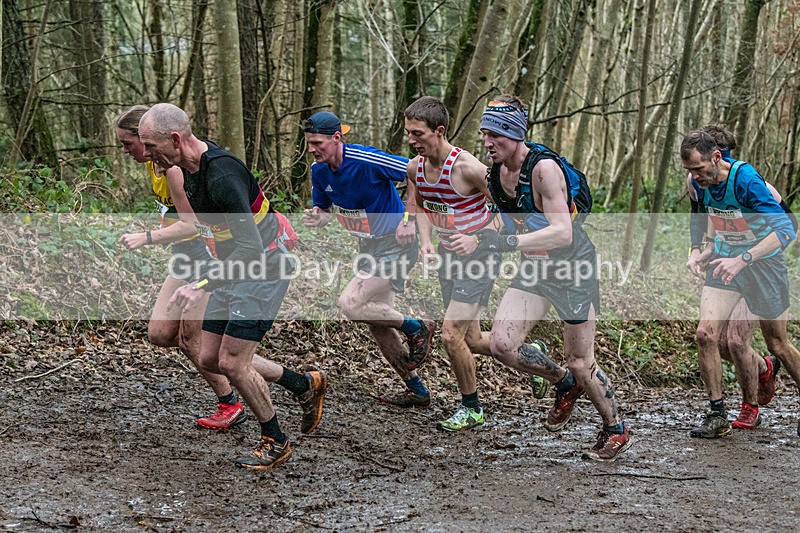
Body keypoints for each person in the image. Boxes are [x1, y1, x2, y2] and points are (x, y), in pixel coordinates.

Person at [138, 103, 326, 469]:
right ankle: (302, 385)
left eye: (150, 146)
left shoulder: (222, 176)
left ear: (175, 139)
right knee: (210, 358)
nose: (146, 154)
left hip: (264, 268)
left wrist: (202, 283)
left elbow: (251, 248)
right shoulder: (186, 169)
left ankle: (275, 439)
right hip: (232, 269)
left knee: (232, 362)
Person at [473, 96, 631, 461]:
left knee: (581, 361)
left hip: (573, 268)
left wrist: (508, 242)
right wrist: (479, 236)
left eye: (495, 135)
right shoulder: (496, 173)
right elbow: (511, 219)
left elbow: (562, 232)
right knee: (502, 344)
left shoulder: (543, 169)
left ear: (514, 133)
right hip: (535, 266)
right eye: (484, 134)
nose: (487, 142)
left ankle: (616, 428)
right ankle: (563, 382)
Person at [402, 96, 547, 431]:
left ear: (439, 131)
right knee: (471, 339)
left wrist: (478, 238)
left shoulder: (467, 168)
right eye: (408, 133)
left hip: (480, 255)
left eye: (418, 134)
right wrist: (426, 241)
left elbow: (508, 209)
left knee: (450, 335)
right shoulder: (414, 168)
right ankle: (532, 355)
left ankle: (472, 409)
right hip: (449, 255)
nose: (411, 140)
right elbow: (421, 205)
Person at [116, 105, 245, 431]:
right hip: (184, 256)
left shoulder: (173, 169)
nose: (128, 151)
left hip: (204, 256)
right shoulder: (155, 165)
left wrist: (146, 237)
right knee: (160, 333)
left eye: (128, 144)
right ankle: (270, 374)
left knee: (193, 342)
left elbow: (190, 225)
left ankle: (232, 401)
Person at [301, 111, 436, 407]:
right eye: (309, 143)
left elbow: (417, 171)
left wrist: (409, 217)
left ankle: (417, 326)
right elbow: (324, 211)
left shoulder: (366, 160)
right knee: (378, 322)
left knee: (350, 303)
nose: (311, 149)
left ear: (337, 138)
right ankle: (416, 389)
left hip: (396, 244)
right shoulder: (319, 171)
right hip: (368, 247)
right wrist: (317, 217)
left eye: (317, 143)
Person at [682, 128, 800, 438]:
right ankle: (717, 414)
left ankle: (767, 370)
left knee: (777, 344)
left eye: (698, 168)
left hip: (762, 266)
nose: (694, 176)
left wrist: (743, 258)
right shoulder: (698, 182)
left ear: (716, 157)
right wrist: (699, 250)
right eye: (689, 170)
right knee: (705, 334)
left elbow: (787, 229)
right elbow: (702, 214)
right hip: (725, 263)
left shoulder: (747, 180)